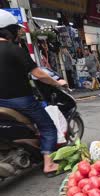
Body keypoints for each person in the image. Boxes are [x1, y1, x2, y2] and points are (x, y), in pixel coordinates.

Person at [0, 10, 67, 175]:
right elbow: (39, 74)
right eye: (16, 30)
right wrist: (57, 83)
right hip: (20, 100)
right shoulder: (14, 50)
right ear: (9, 31)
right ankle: (49, 164)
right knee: (48, 127)